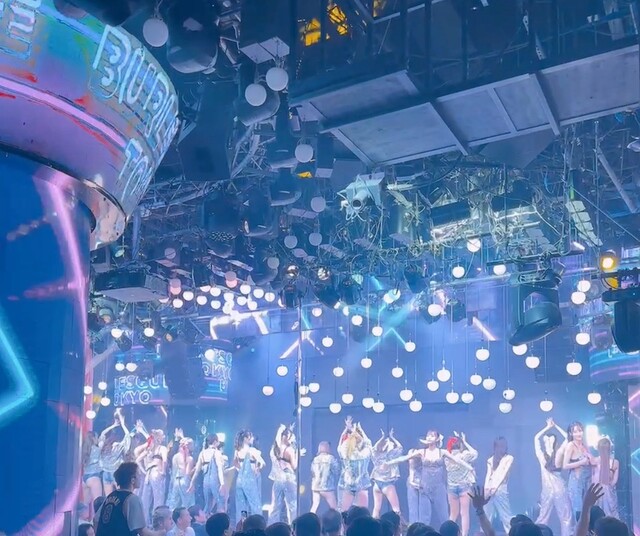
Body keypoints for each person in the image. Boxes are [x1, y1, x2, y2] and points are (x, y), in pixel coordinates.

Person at [388, 430, 472, 527]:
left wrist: (469, 467)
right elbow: (405, 458)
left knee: (444, 516)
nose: (429, 437)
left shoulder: (442, 452)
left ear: (436, 439)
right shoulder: (422, 452)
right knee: (424, 518)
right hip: (425, 488)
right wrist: (389, 463)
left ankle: (448, 532)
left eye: (432, 436)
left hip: (438, 488)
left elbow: (457, 460)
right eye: (428, 436)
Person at [95, 462, 165, 536]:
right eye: (138, 474)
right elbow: (143, 532)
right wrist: (160, 533)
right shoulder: (132, 499)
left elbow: (96, 520)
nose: (141, 477)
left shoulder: (110, 496)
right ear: (132, 480)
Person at [533, 419, 572, 536]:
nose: (548, 443)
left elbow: (568, 438)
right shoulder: (542, 456)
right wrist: (549, 427)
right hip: (548, 489)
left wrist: (554, 426)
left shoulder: (559, 454)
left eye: (550, 441)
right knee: (544, 517)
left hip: (559, 488)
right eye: (546, 441)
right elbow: (536, 438)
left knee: (565, 517)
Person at [444, 432, 477, 536]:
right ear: (461, 445)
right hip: (464, 487)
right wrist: (465, 441)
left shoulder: (446, 457)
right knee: (464, 513)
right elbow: (475, 453)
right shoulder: (464, 456)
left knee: (453, 514)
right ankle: (464, 535)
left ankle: (448, 533)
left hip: (451, 487)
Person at [338, 417, 373, 510]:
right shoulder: (364, 454)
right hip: (362, 485)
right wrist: (361, 431)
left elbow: (340, 444)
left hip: (347, 484)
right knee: (363, 513)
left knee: (344, 513)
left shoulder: (345, 453)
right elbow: (368, 444)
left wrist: (346, 430)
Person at [562, 422, 595, 521]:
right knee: (579, 511)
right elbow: (565, 465)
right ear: (571, 433)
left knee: (589, 509)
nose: (578, 434)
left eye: (580, 431)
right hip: (576, 482)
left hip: (587, 480)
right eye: (575, 432)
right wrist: (581, 462)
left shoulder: (585, 446)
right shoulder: (570, 446)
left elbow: (592, 462)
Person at [136, 428, 169, 523]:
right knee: (158, 498)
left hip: (148, 474)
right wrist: (163, 471)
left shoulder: (149, 449)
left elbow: (138, 460)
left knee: (145, 500)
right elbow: (165, 460)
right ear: (159, 438)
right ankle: (157, 522)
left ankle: (144, 522)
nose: (164, 437)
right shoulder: (162, 448)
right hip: (157, 472)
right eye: (163, 435)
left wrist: (144, 471)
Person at [268, 424, 300, 524]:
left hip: (277, 479)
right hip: (288, 478)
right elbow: (294, 466)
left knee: (275, 506)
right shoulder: (289, 450)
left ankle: (271, 526)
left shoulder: (274, 449)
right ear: (285, 437)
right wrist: (298, 455)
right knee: (292, 505)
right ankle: (293, 527)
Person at [234, 429, 266, 524]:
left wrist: (240, 470)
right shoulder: (252, 450)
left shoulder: (237, 451)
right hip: (249, 480)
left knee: (242, 506)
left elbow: (235, 463)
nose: (252, 439)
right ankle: (258, 525)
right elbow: (262, 463)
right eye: (251, 437)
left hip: (240, 480)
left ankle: (241, 525)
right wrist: (257, 469)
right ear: (246, 438)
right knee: (255, 504)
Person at [99, 410, 134, 496]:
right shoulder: (119, 446)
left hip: (106, 473)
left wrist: (113, 425)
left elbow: (102, 434)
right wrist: (123, 424)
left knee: (109, 498)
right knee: (121, 497)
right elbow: (128, 436)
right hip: (116, 473)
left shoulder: (104, 445)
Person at [189, 434, 226, 515]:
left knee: (208, 504)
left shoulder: (202, 453)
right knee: (220, 502)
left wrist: (192, 482)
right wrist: (222, 483)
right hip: (215, 481)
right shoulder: (216, 453)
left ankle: (204, 519)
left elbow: (197, 470)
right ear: (215, 442)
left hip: (205, 482)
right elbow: (219, 468)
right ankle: (222, 520)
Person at [483, 437, 514, 533]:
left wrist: (495, 487)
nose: (501, 448)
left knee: (506, 516)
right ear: (495, 447)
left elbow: (504, 474)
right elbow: (488, 474)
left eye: (503, 446)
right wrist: (486, 489)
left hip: (500, 489)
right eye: (499, 446)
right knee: (486, 516)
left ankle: (511, 533)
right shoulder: (490, 459)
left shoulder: (508, 458)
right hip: (489, 489)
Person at [370, 429, 403, 518]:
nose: (392, 444)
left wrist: (381, 438)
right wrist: (393, 437)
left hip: (377, 484)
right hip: (387, 484)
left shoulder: (376, 455)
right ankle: (398, 527)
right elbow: (400, 448)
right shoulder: (391, 456)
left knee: (376, 509)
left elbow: (373, 448)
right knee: (396, 509)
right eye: (391, 443)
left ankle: (373, 525)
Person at [592, 437, 619, 518]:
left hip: (606, 492)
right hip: (600, 492)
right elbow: (614, 481)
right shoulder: (595, 461)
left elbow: (614, 481)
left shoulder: (614, 462)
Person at [311, 442, 340, 513]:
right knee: (334, 508)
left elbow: (312, 471)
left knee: (314, 506)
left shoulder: (315, 459)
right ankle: (338, 519)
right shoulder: (331, 458)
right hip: (327, 486)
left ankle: (309, 518)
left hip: (315, 486)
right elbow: (337, 470)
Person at [168, 434, 195, 510]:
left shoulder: (175, 456)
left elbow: (174, 471)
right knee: (188, 504)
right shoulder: (190, 458)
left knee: (174, 503)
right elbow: (187, 473)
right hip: (185, 481)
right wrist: (195, 469)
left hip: (176, 481)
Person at [83, 431, 104, 510]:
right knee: (98, 504)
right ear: (93, 438)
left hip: (84, 478)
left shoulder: (84, 450)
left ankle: (81, 517)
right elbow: (103, 438)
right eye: (97, 437)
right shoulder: (97, 449)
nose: (98, 439)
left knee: (85, 505)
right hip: (94, 477)